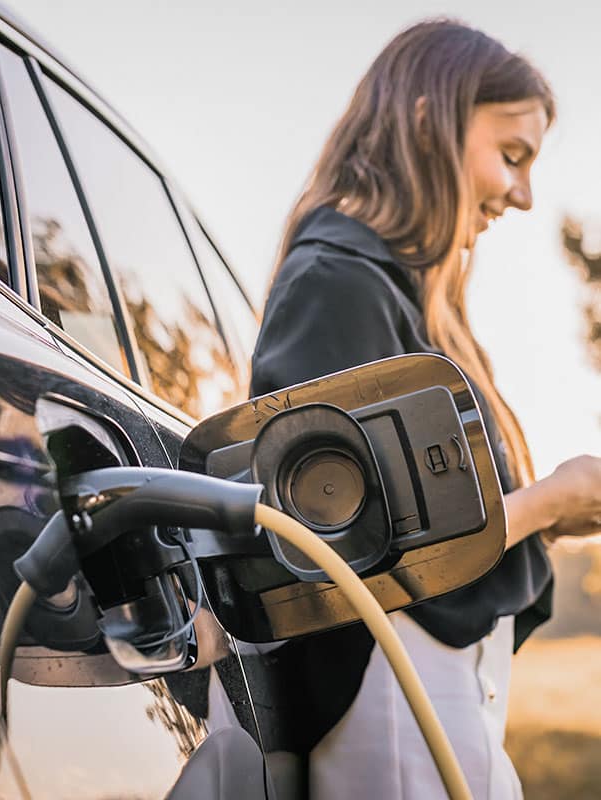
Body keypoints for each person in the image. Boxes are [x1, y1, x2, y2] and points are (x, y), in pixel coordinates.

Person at [249, 19, 601, 800]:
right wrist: (547, 503)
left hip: (431, 694)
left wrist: (547, 512)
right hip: (390, 697)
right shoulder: (337, 283)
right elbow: (350, 552)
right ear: (424, 121)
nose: (524, 193)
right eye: (511, 156)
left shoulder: (404, 298)